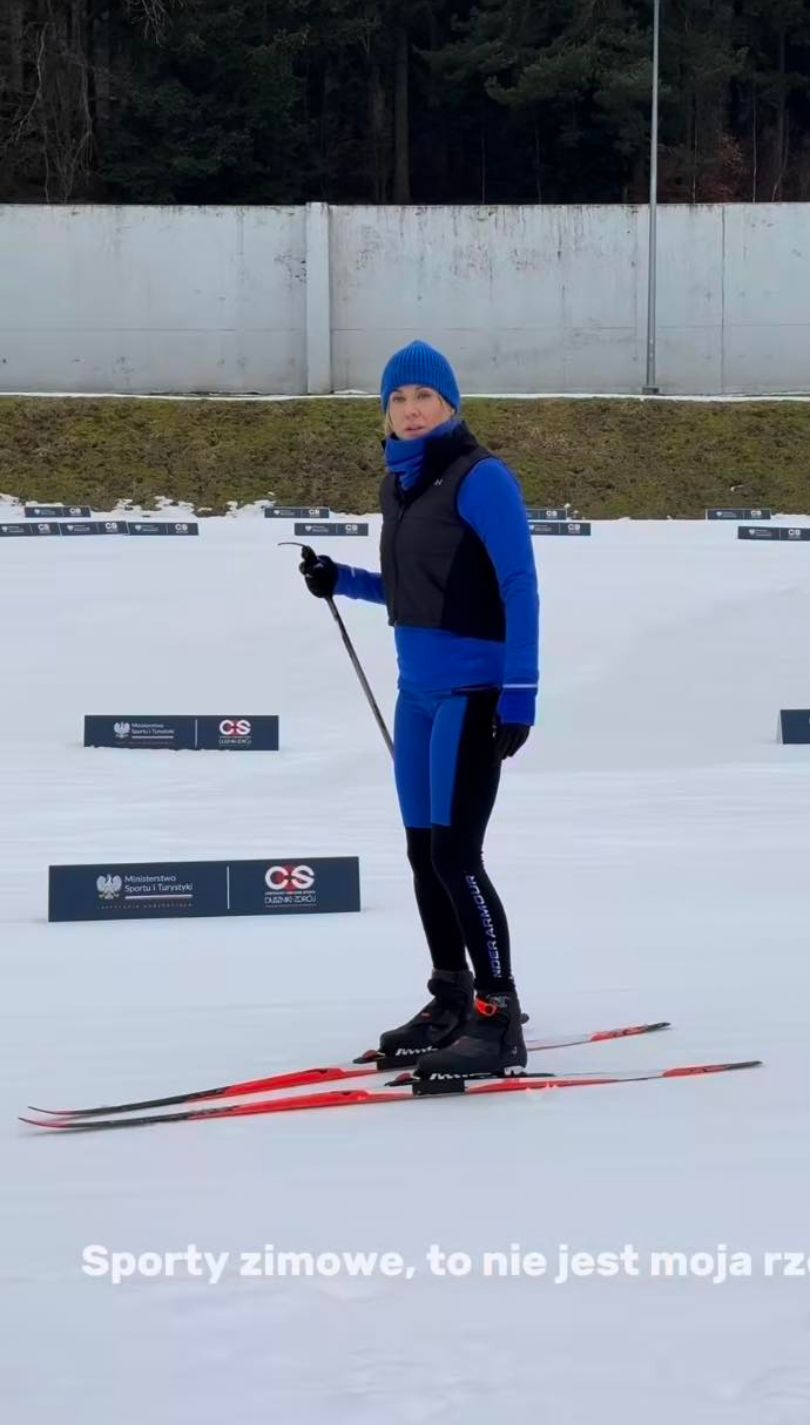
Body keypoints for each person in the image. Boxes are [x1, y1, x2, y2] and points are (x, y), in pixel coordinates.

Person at [299, 340, 539, 1078]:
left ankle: (498, 1017)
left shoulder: (482, 477)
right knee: (421, 852)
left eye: (423, 398)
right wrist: (342, 578)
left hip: (473, 694)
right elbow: (413, 591)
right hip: (418, 695)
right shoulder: (399, 484)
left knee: (456, 856)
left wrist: (520, 692)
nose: (409, 410)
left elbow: (519, 585)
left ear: (450, 405)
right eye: (398, 399)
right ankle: (451, 996)